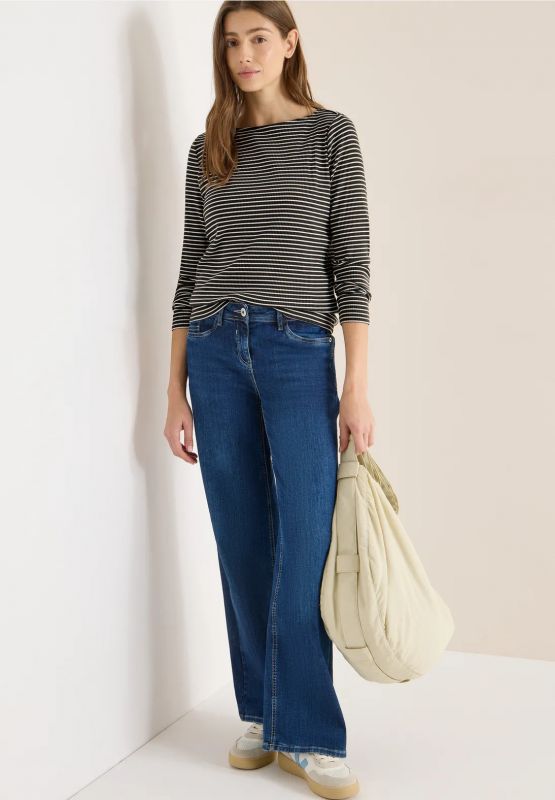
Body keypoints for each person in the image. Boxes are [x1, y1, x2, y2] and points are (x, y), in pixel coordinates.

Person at [164, 2, 375, 797]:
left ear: (289, 44)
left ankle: (310, 731)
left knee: (306, 537)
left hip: (296, 350)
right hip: (214, 349)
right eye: (231, 42)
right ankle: (260, 712)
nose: (244, 54)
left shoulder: (330, 136)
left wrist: (355, 385)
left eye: (258, 38)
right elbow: (189, 270)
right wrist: (173, 390)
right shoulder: (209, 147)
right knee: (241, 536)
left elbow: (351, 267)